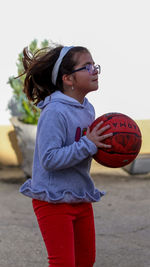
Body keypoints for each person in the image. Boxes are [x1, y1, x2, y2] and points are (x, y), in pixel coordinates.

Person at [19, 44, 112, 267]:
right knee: (63, 263)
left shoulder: (87, 109)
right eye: (86, 66)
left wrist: (107, 147)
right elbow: (49, 159)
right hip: (52, 200)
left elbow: (85, 148)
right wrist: (88, 144)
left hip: (79, 195)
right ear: (68, 79)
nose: (94, 70)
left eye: (94, 65)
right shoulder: (54, 112)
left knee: (85, 261)